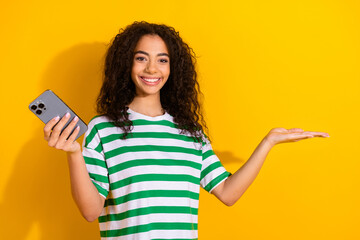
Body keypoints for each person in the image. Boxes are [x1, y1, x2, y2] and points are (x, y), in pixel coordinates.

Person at [43, 21, 329, 239]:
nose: (152, 68)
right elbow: (91, 211)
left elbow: (228, 193)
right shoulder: (103, 129)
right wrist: (73, 153)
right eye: (141, 58)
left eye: (162, 59)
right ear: (126, 64)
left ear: (173, 68)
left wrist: (268, 142)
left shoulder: (190, 133)